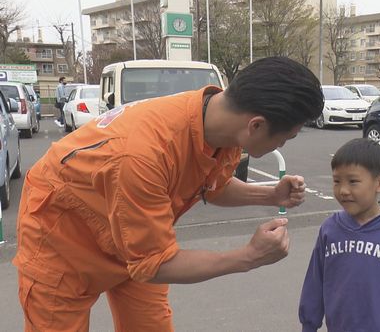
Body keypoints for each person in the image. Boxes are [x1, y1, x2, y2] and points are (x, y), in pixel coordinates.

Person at [13, 56, 324, 331]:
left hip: (136, 234)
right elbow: (154, 264)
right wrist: (248, 257)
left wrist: (270, 195)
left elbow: (212, 186)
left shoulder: (217, 124)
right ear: (256, 125)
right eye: (287, 137)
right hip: (62, 236)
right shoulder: (142, 154)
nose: (283, 146)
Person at [298, 138, 380, 332]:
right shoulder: (330, 230)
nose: (343, 190)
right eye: (336, 181)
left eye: (353, 181)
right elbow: (314, 284)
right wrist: (309, 324)